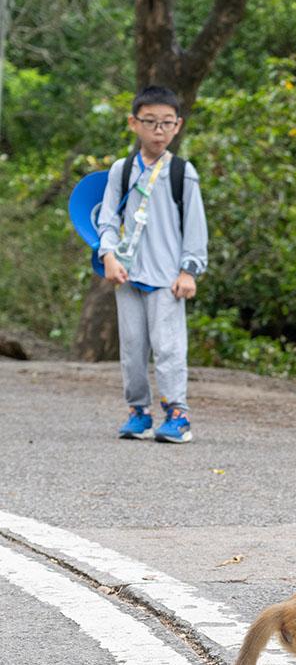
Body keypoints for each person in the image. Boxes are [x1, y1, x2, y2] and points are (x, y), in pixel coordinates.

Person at [97, 85, 208, 443]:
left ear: (178, 126)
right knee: (131, 348)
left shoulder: (182, 172)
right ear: (133, 123)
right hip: (128, 274)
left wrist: (189, 270)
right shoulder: (122, 169)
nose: (158, 131)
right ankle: (138, 412)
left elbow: (195, 226)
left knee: (170, 348)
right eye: (150, 122)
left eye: (166, 123)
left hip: (166, 278)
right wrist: (108, 255)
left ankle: (177, 414)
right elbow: (107, 219)